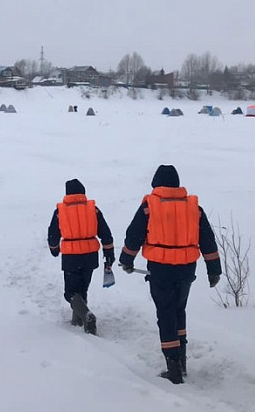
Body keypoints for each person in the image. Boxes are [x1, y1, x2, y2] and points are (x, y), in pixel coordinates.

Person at [119, 165, 222, 384]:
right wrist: (214, 269)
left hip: (161, 268)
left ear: (156, 184)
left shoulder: (150, 206)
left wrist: (126, 260)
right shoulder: (194, 208)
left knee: (165, 314)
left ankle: (173, 367)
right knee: (178, 310)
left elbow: (134, 234)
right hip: (186, 269)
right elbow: (208, 239)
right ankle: (181, 361)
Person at [47, 179, 115, 335]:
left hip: (71, 256)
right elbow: (105, 233)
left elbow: (53, 234)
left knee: (70, 293)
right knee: (82, 288)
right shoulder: (93, 210)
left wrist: (54, 249)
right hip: (90, 255)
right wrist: (109, 253)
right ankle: (78, 321)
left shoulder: (60, 211)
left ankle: (85, 316)